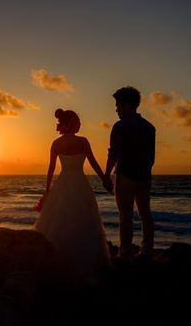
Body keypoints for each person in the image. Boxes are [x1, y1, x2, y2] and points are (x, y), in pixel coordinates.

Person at [34, 108, 111, 277]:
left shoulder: (56, 143)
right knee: (81, 219)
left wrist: (48, 190)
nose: (79, 124)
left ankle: (61, 255)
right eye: (76, 122)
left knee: (62, 218)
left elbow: (51, 169)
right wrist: (105, 178)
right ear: (68, 124)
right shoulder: (83, 141)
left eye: (79, 122)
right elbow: (93, 163)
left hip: (63, 183)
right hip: (79, 182)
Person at [103, 86, 156, 259]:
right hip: (144, 176)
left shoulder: (120, 126)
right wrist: (145, 170)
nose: (116, 109)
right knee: (145, 213)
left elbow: (113, 153)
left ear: (126, 105)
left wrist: (106, 175)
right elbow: (151, 157)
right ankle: (147, 249)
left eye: (118, 105)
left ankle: (125, 251)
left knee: (125, 215)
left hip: (125, 174)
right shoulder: (149, 127)